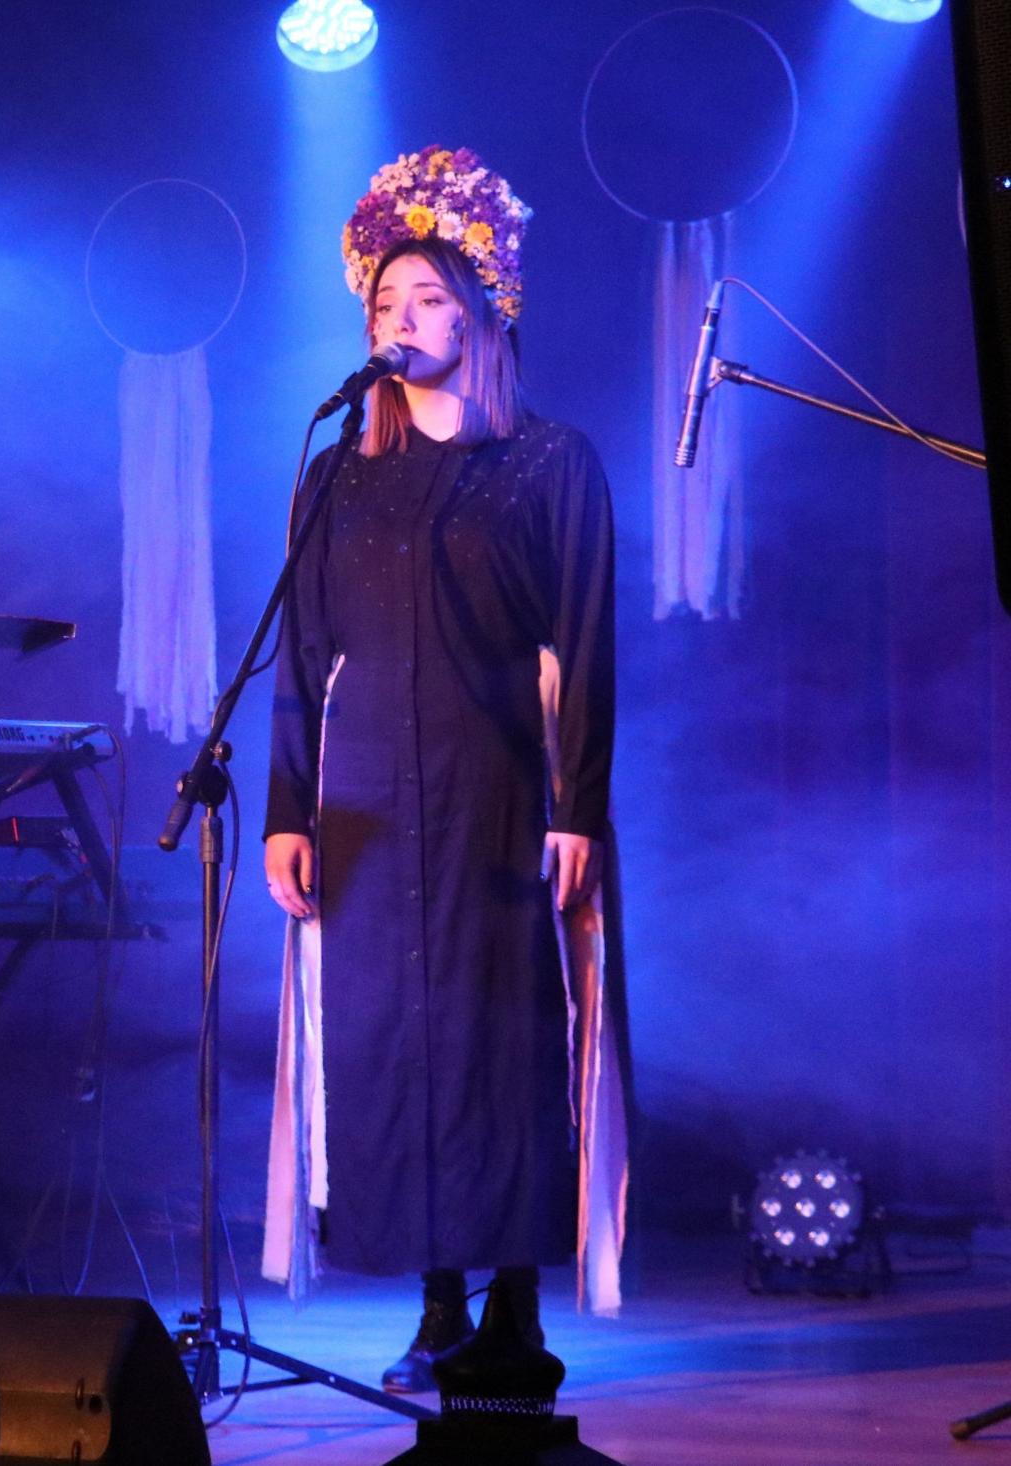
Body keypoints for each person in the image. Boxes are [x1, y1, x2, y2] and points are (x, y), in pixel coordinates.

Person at [259, 146, 621, 1393]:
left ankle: (514, 1311)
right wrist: (286, 811)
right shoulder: (338, 475)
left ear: (480, 314)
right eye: (384, 303)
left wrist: (576, 805)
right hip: (363, 796)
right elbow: (299, 656)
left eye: (427, 300)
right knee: (394, 1040)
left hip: (494, 791)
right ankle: (435, 1308)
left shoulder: (548, 462)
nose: (402, 321)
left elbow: (584, 643)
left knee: (497, 1040)